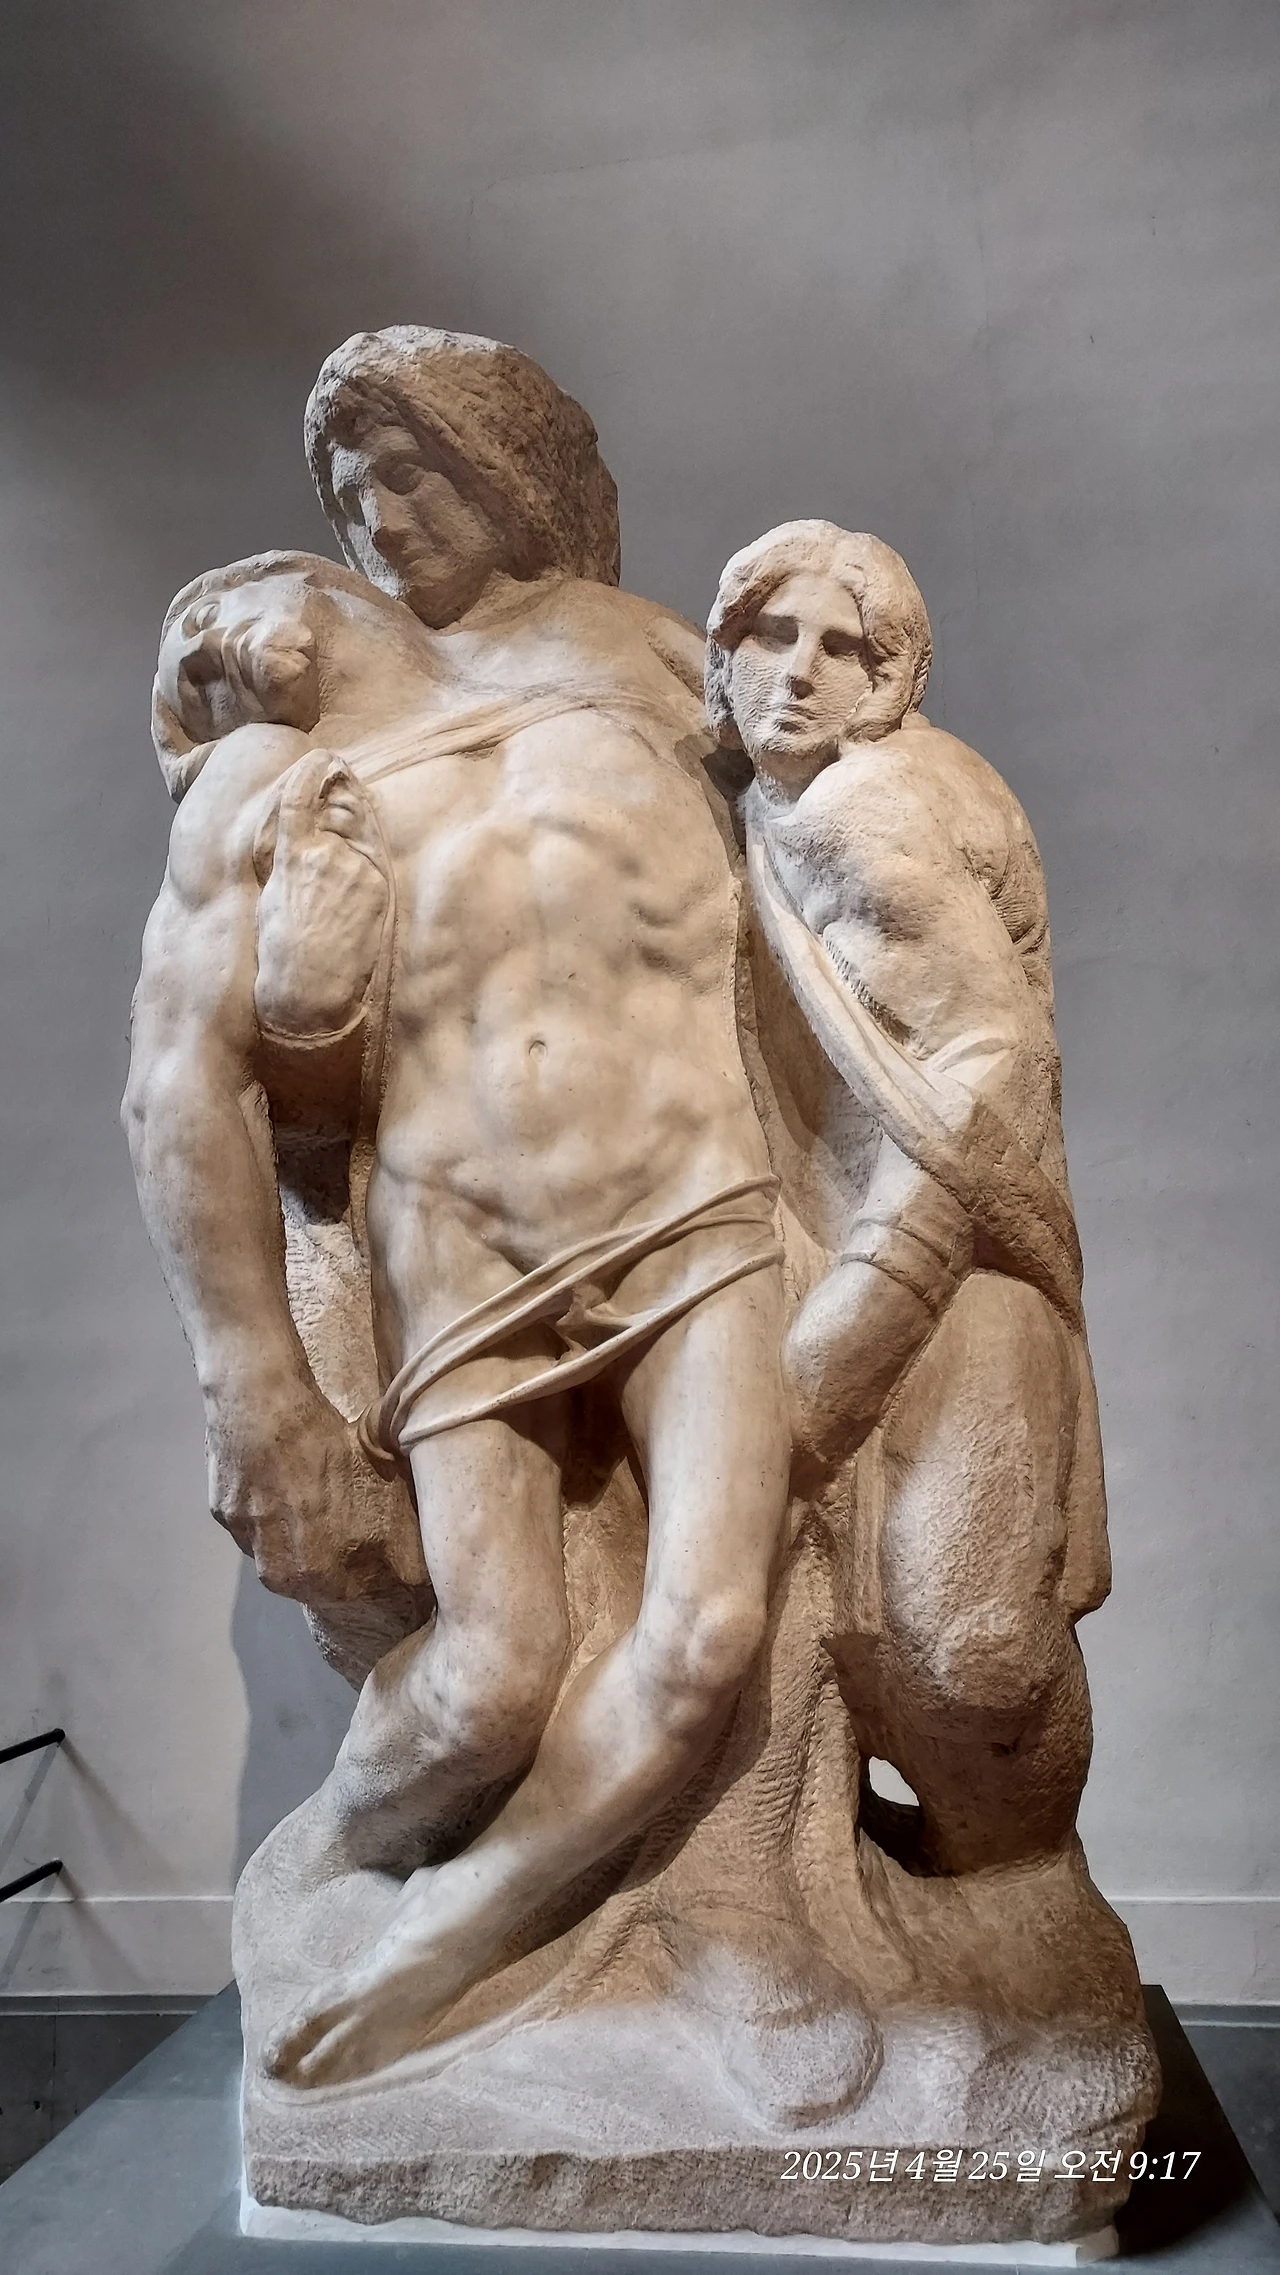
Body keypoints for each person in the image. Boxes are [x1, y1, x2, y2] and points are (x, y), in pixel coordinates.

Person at [125, 518, 795, 2087]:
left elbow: (823, 835)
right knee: (494, 1673)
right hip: (466, 1249)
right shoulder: (273, 784)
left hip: (700, 1212)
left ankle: (444, 1939)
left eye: (226, 596)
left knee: (710, 1633)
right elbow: (183, 1083)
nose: (222, 636)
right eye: (193, 657)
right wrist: (253, 1378)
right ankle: (341, 1869)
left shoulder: (633, 670)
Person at [705, 519, 1111, 1878]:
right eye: (773, 635)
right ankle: (799, 1887)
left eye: (844, 649)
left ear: (891, 683)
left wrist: (859, 1316)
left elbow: (993, 1067)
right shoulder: (749, 802)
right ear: (726, 648)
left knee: (973, 1651)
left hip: (949, 1255)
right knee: (773, 1616)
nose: (798, 672)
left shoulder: (865, 812)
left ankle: (1019, 1879)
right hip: (791, 1242)